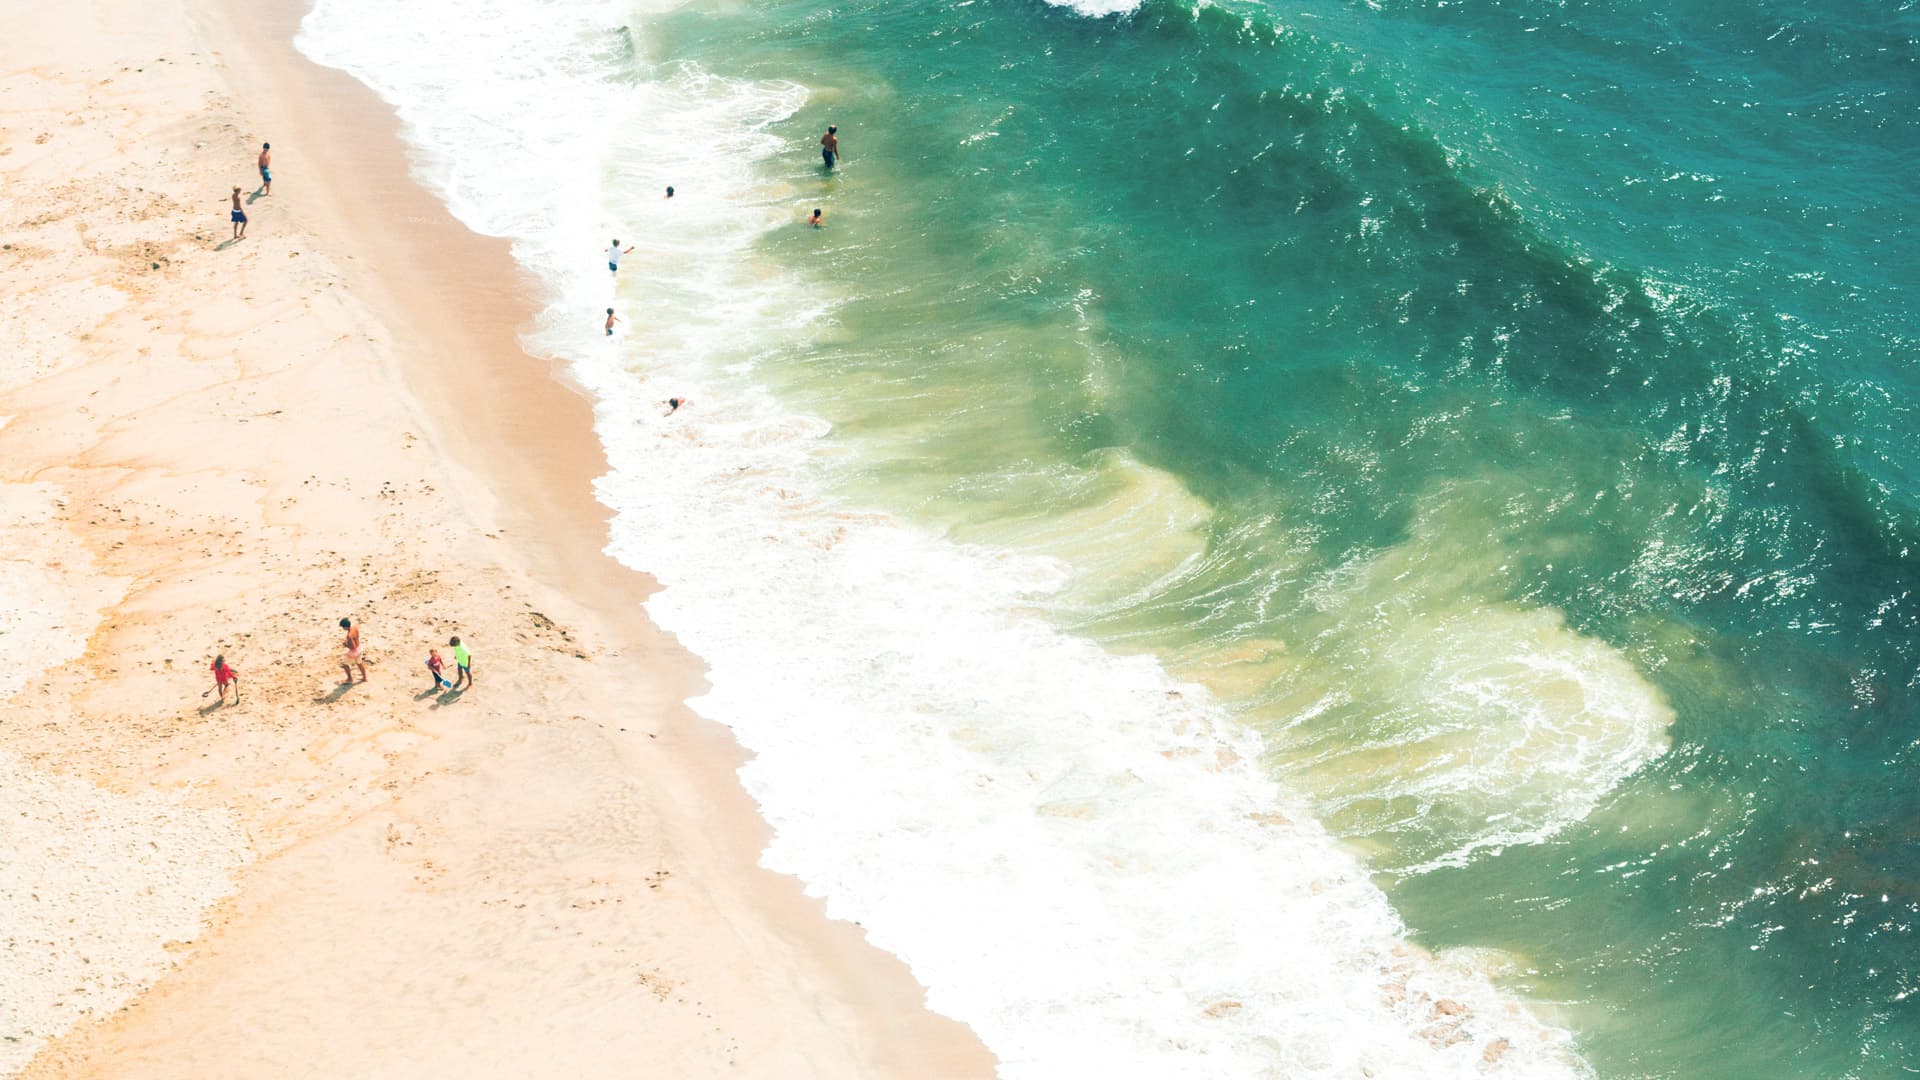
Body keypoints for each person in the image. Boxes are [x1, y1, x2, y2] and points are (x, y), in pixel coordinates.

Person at [339, 617, 367, 684]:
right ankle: (364, 678)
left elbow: (353, 647)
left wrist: (345, 645)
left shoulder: (349, 635)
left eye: (343, 627)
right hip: (360, 648)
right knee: (359, 663)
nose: (342, 628)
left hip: (354, 652)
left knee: (345, 664)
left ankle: (349, 678)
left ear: (345, 627)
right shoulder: (355, 627)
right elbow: (355, 638)